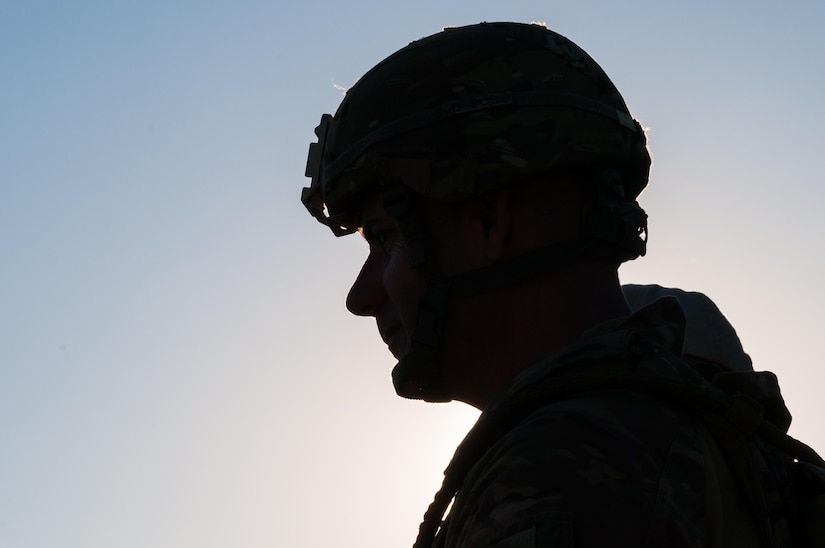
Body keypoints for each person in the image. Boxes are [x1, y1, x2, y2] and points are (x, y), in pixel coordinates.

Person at [300, 22, 812, 547]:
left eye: (385, 239)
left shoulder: (559, 471)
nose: (360, 298)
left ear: (485, 219)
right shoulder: (707, 438)